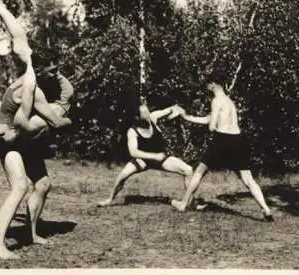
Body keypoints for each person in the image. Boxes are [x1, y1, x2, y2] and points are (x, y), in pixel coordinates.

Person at [0, 0, 74, 259]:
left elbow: (17, 34)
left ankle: (34, 233)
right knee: (20, 187)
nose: (57, 73)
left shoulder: (30, 65)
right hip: (9, 142)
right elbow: (47, 123)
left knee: (42, 184)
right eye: (54, 71)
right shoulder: (32, 90)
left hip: (20, 139)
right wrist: (66, 121)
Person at [170, 73, 274, 222]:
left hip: (222, 139)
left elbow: (211, 126)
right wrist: (186, 116)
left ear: (213, 84)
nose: (207, 87)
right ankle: (266, 209)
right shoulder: (229, 102)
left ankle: (183, 204)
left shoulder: (216, 100)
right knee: (248, 179)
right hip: (239, 140)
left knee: (199, 171)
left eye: (208, 84)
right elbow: (208, 119)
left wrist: (212, 126)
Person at [97, 101, 193, 207]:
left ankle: (189, 202)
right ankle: (110, 199)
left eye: (147, 110)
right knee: (122, 175)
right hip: (143, 160)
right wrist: (154, 156)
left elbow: (169, 109)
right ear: (138, 117)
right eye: (145, 112)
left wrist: (176, 109)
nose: (148, 113)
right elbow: (133, 152)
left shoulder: (153, 117)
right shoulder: (132, 131)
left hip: (161, 159)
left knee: (188, 170)